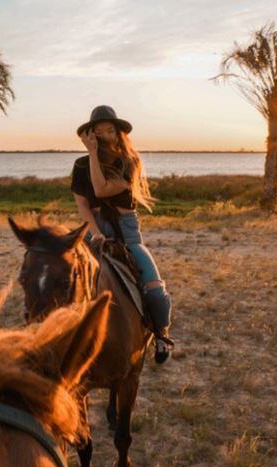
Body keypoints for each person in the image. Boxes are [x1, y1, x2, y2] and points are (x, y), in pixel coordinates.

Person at [70, 105, 174, 364]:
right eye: (99, 131)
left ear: (118, 134)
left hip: (125, 230)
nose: (105, 136)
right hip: (93, 227)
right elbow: (83, 204)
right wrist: (94, 234)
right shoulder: (80, 165)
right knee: (62, 274)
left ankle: (162, 335)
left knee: (153, 287)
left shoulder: (129, 161)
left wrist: (92, 153)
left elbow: (101, 188)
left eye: (110, 131)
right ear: (90, 134)